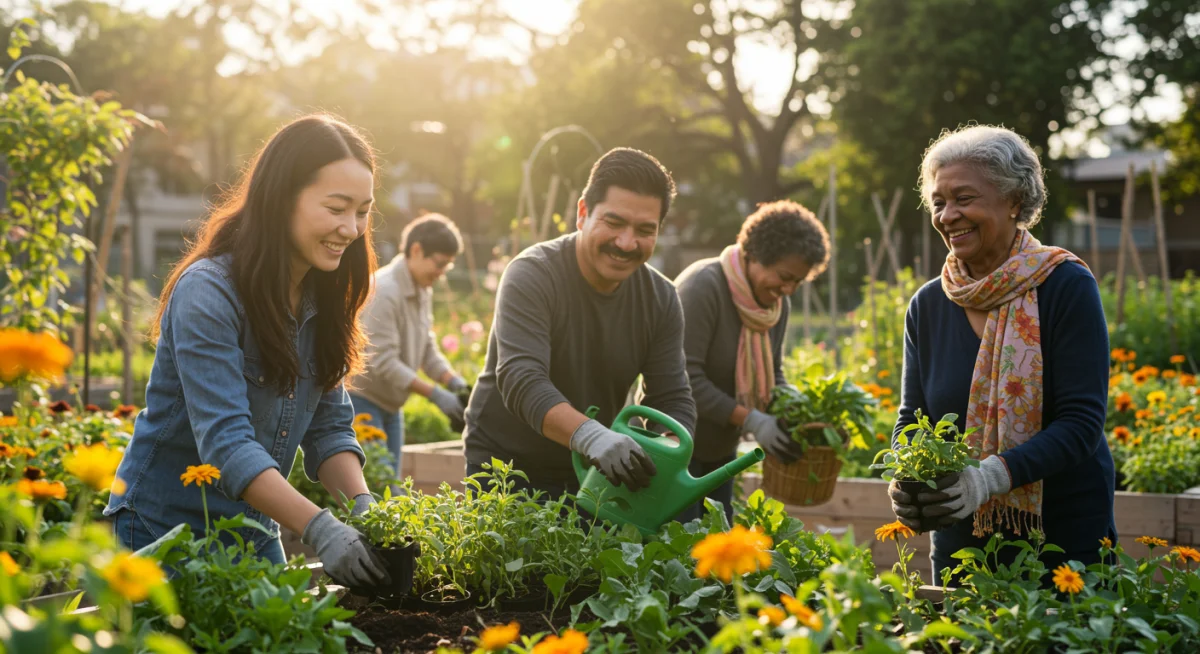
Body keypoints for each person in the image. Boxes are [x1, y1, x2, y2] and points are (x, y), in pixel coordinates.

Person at [105, 115, 390, 589]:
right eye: (336, 208)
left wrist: (362, 508)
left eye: (362, 211)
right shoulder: (209, 292)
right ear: (281, 201)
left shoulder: (322, 297)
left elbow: (330, 428)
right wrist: (320, 529)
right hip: (164, 531)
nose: (352, 228)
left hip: (253, 525)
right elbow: (227, 443)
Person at [888, 125, 1116, 583]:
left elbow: (1081, 425)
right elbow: (913, 417)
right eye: (938, 201)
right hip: (961, 538)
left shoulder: (1064, 286)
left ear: (1014, 201)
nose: (948, 215)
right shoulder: (930, 304)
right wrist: (905, 475)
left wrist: (988, 478)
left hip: (1061, 536)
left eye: (964, 198)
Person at [463, 147, 697, 497]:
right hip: (508, 464)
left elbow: (671, 395)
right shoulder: (534, 274)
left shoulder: (660, 298)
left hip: (597, 468)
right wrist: (591, 436)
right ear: (583, 212)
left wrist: (666, 449)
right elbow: (522, 378)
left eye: (645, 230)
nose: (626, 242)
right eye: (614, 223)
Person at [673, 200, 830, 524]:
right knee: (677, 551)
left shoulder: (775, 306)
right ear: (754, 255)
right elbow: (685, 379)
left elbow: (774, 369)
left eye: (797, 282)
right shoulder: (703, 287)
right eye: (784, 276)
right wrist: (752, 420)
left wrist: (791, 405)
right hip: (674, 448)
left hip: (720, 453)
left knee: (717, 555)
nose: (787, 290)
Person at [350, 214, 469, 479]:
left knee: (392, 489)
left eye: (447, 267)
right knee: (377, 481)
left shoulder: (421, 288)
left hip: (392, 405)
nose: (441, 273)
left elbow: (426, 349)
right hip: (363, 400)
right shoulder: (384, 290)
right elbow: (383, 361)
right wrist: (435, 394)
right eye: (439, 264)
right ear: (416, 250)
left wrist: (455, 384)